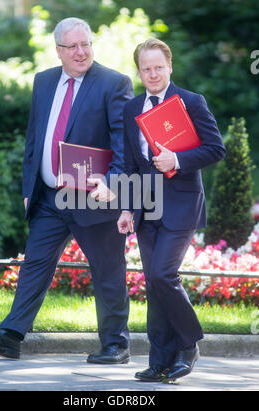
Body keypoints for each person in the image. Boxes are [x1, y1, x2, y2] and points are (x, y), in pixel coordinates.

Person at [0, 17, 134, 364]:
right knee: (35, 264)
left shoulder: (114, 83)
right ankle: (11, 336)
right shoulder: (44, 81)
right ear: (58, 50)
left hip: (94, 195)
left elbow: (124, 141)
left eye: (85, 44)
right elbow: (35, 137)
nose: (80, 52)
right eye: (72, 46)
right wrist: (29, 186)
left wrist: (113, 182)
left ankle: (116, 345)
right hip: (48, 196)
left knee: (107, 269)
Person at [117, 38, 226, 381]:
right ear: (139, 71)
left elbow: (215, 149)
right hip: (146, 207)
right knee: (153, 282)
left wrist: (177, 159)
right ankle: (160, 359)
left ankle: (189, 343)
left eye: (158, 67)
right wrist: (126, 208)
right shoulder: (131, 108)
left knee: (164, 274)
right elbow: (131, 164)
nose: (152, 74)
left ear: (170, 67)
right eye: (146, 69)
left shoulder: (191, 102)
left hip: (181, 204)